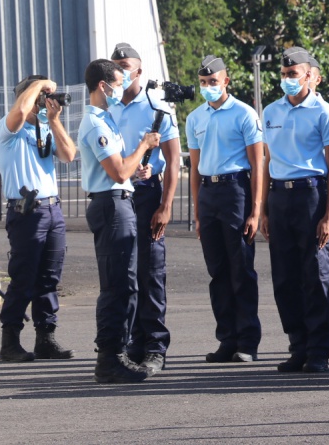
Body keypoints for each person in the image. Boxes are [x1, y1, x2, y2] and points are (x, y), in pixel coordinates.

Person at [261, 46, 329, 374]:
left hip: (312, 195)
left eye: (292, 74)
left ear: (309, 75)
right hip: (280, 196)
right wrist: (263, 209)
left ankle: (319, 347)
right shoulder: (271, 111)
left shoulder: (326, 113)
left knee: (316, 274)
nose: (287, 79)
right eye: (283, 74)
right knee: (285, 276)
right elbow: (267, 161)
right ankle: (298, 344)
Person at [78, 59, 160, 384]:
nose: (121, 89)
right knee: (117, 286)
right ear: (102, 86)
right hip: (111, 206)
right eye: (117, 83)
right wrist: (143, 145)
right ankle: (110, 358)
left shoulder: (106, 120)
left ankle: (117, 353)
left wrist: (136, 171)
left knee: (126, 285)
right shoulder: (96, 124)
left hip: (119, 200)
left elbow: (123, 171)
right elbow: (117, 171)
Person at [108, 43, 182, 375]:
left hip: (147, 196)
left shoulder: (157, 107)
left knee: (150, 273)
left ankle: (155, 346)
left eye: (126, 66)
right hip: (116, 197)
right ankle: (133, 343)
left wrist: (166, 205)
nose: (121, 71)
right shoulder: (107, 107)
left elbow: (174, 157)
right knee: (124, 274)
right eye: (116, 66)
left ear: (139, 70)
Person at [187, 55, 265, 363]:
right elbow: (195, 168)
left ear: (226, 81)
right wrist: (197, 211)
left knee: (240, 268)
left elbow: (257, 164)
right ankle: (227, 339)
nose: (207, 86)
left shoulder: (244, 114)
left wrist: (256, 211)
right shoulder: (195, 118)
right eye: (203, 82)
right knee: (217, 271)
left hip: (236, 191)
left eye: (212, 81)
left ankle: (247, 341)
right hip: (209, 192)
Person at [0, 75, 77, 363]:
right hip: (26, 212)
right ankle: (10, 341)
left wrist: (54, 120)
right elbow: (19, 111)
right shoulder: (9, 128)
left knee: (49, 278)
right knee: (23, 278)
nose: (46, 101)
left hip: (52, 209)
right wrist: (39, 85)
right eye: (42, 97)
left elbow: (68, 154)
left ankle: (46, 339)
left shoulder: (45, 127)